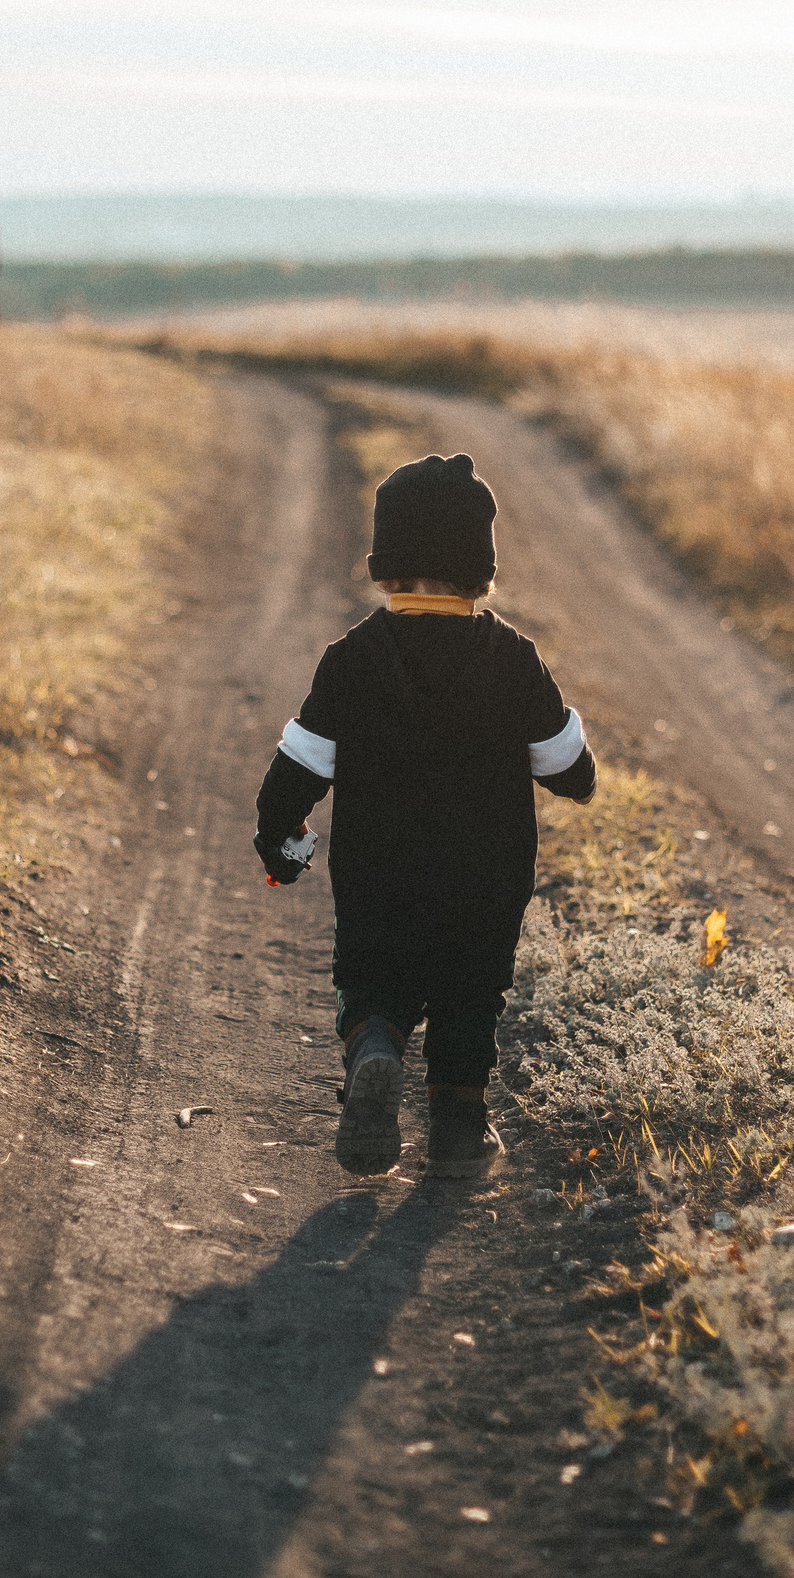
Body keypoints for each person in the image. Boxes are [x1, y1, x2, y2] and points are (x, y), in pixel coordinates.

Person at [253, 453, 597, 1178]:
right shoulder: (514, 658)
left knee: (373, 978)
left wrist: (282, 841)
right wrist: (575, 762)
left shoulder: (351, 659)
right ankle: (459, 1132)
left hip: (379, 875)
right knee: (472, 992)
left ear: (386, 564)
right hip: (485, 879)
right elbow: (568, 769)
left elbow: (299, 770)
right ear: (483, 568)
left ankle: (375, 1043)